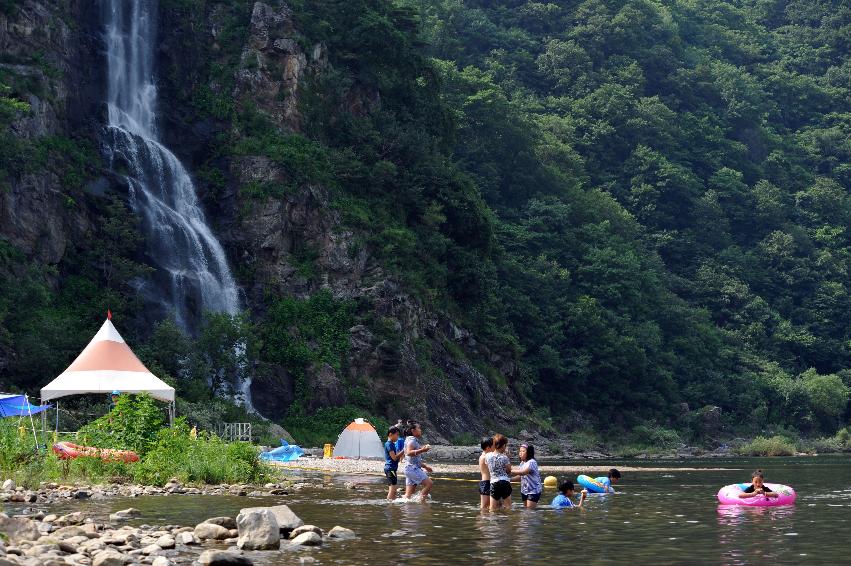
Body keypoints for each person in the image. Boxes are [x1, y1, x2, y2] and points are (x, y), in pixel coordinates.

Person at [403, 421, 433, 500]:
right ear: (413, 430)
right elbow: (409, 453)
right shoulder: (412, 440)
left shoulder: (409, 439)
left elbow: (414, 459)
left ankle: (402, 507)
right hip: (412, 469)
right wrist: (422, 450)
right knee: (429, 484)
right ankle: (421, 503)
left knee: (408, 497)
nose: (420, 430)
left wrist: (425, 467)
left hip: (409, 468)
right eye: (418, 428)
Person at [486, 434, 512, 510]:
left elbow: (487, 465)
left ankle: (492, 521)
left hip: (494, 482)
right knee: (508, 507)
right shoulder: (504, 457)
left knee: (492, 509)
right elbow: (509, 471)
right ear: (503, 445)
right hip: (504, 482)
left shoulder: (488, 456)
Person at [512, 443, 542, 508]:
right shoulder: (522, 463)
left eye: (523, 451)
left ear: (529, 453)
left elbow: (523, 472)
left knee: (529, 511)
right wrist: (509, 480)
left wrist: (509, 471)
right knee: (526, 509)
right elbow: (520, 476)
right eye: (520, 451)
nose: (520, 453)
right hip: (524, 490)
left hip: (533, 490)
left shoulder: (532, 462)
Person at [384, 426, 404, 501]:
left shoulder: (391, 444)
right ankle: (389, 506)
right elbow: (394, 458)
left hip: (392, 469)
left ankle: (392, 505)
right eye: (397, 435)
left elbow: (396, 458)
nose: (398, 437)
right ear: (390, 434)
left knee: (393, 490)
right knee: (393, 489)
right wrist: (404, 450)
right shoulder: (389, 444)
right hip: (390, 469)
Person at [478, 437, 494, 509]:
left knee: (489, 505)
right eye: (493, 446)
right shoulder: (485, 457)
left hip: (488, 482)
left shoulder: (484, 455)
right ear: (488, 448)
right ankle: (483, 519)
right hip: (486, 483)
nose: (495, 448)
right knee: (484, 506)